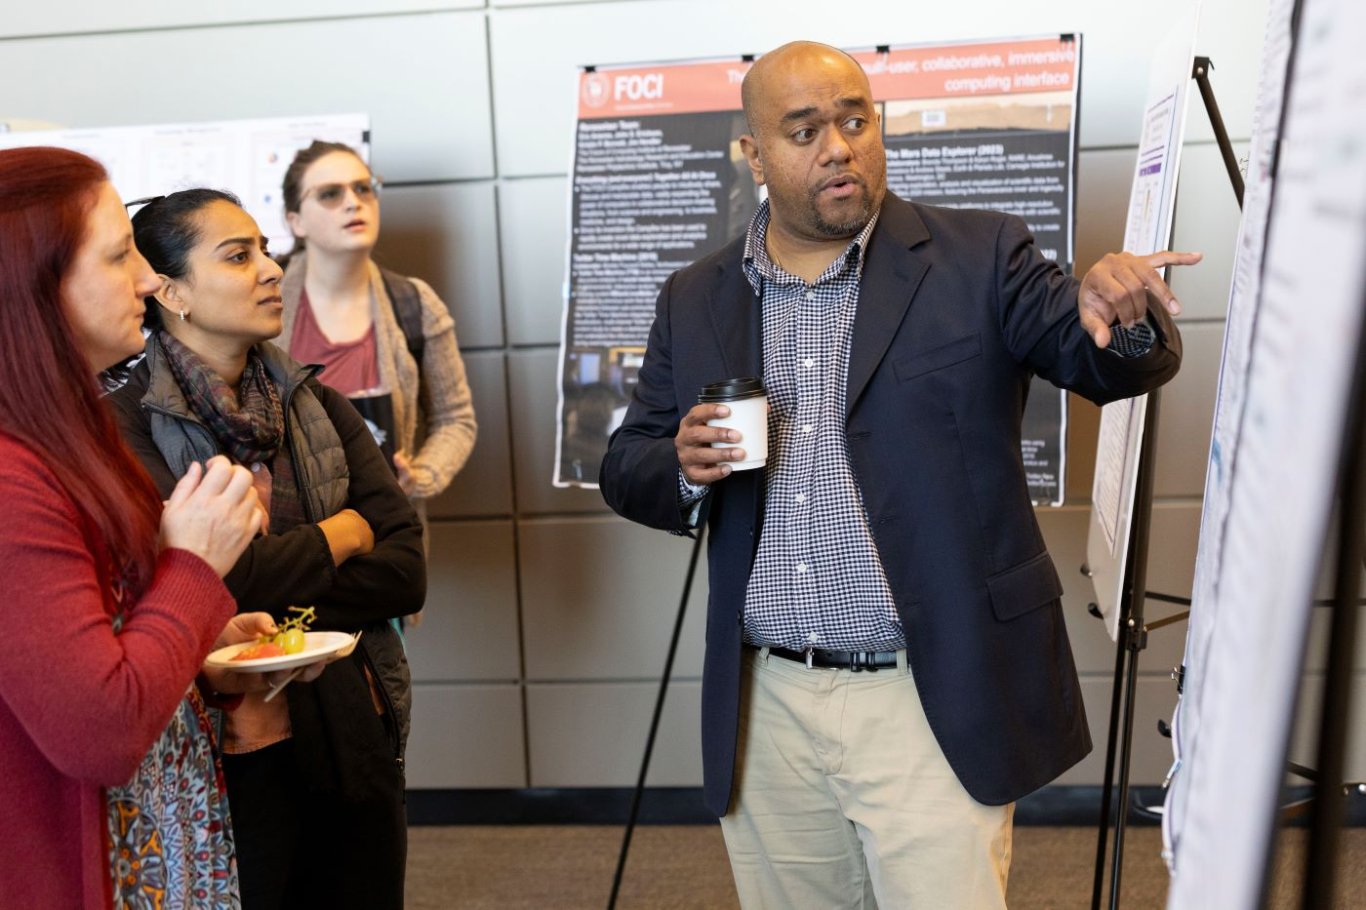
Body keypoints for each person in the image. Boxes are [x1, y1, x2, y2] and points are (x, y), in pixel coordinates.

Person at [599, 42, 1201, 909]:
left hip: (930, 693)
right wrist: (685, 466)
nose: (839, 146)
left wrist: (1125, 316)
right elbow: (631, 464)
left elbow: (1099, 360)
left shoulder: (979, 255)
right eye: (804, 131)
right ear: (754, 155)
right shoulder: (695, 297)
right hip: (765, 706)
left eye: (855, 119)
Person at [107, 188, 427, 910]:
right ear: (173, 293)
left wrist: (261, 568)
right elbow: (211, 583)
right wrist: (340, 535)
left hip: (351, 718)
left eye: (263, 249)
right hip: (220, 740)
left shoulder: (315, 401)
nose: (272, 270)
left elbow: (405, 570)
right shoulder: (125, 425)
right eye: (237, 255)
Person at [0, 147, 271, 909]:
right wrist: (192, 569)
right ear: (34, 289)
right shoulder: (12, 479)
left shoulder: (65, 439)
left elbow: (90, 638)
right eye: (121, 256)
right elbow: (99, 731)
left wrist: (199, 644)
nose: (149, 281)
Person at [276, 140, 476, 523]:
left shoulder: (414, 302)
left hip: (387, 534)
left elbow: (455, 419)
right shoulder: (262, 301)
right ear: (295, 221)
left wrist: (419, 476)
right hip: (292, 537)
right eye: (330, 194)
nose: (354, 202)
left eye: (363, 188)